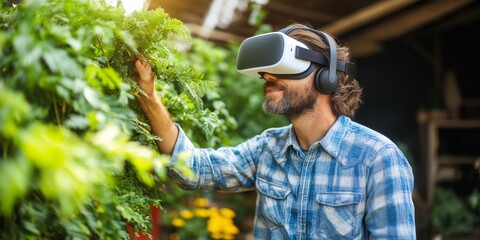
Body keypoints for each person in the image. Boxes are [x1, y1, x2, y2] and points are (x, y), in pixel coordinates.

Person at [134, 23, 416, 239]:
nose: (269, 79)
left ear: (326, 76)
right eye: (266, 73)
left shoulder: (378, 159)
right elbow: (194, 169)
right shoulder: (268, 148)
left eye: (282, 69)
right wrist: (149, 97)